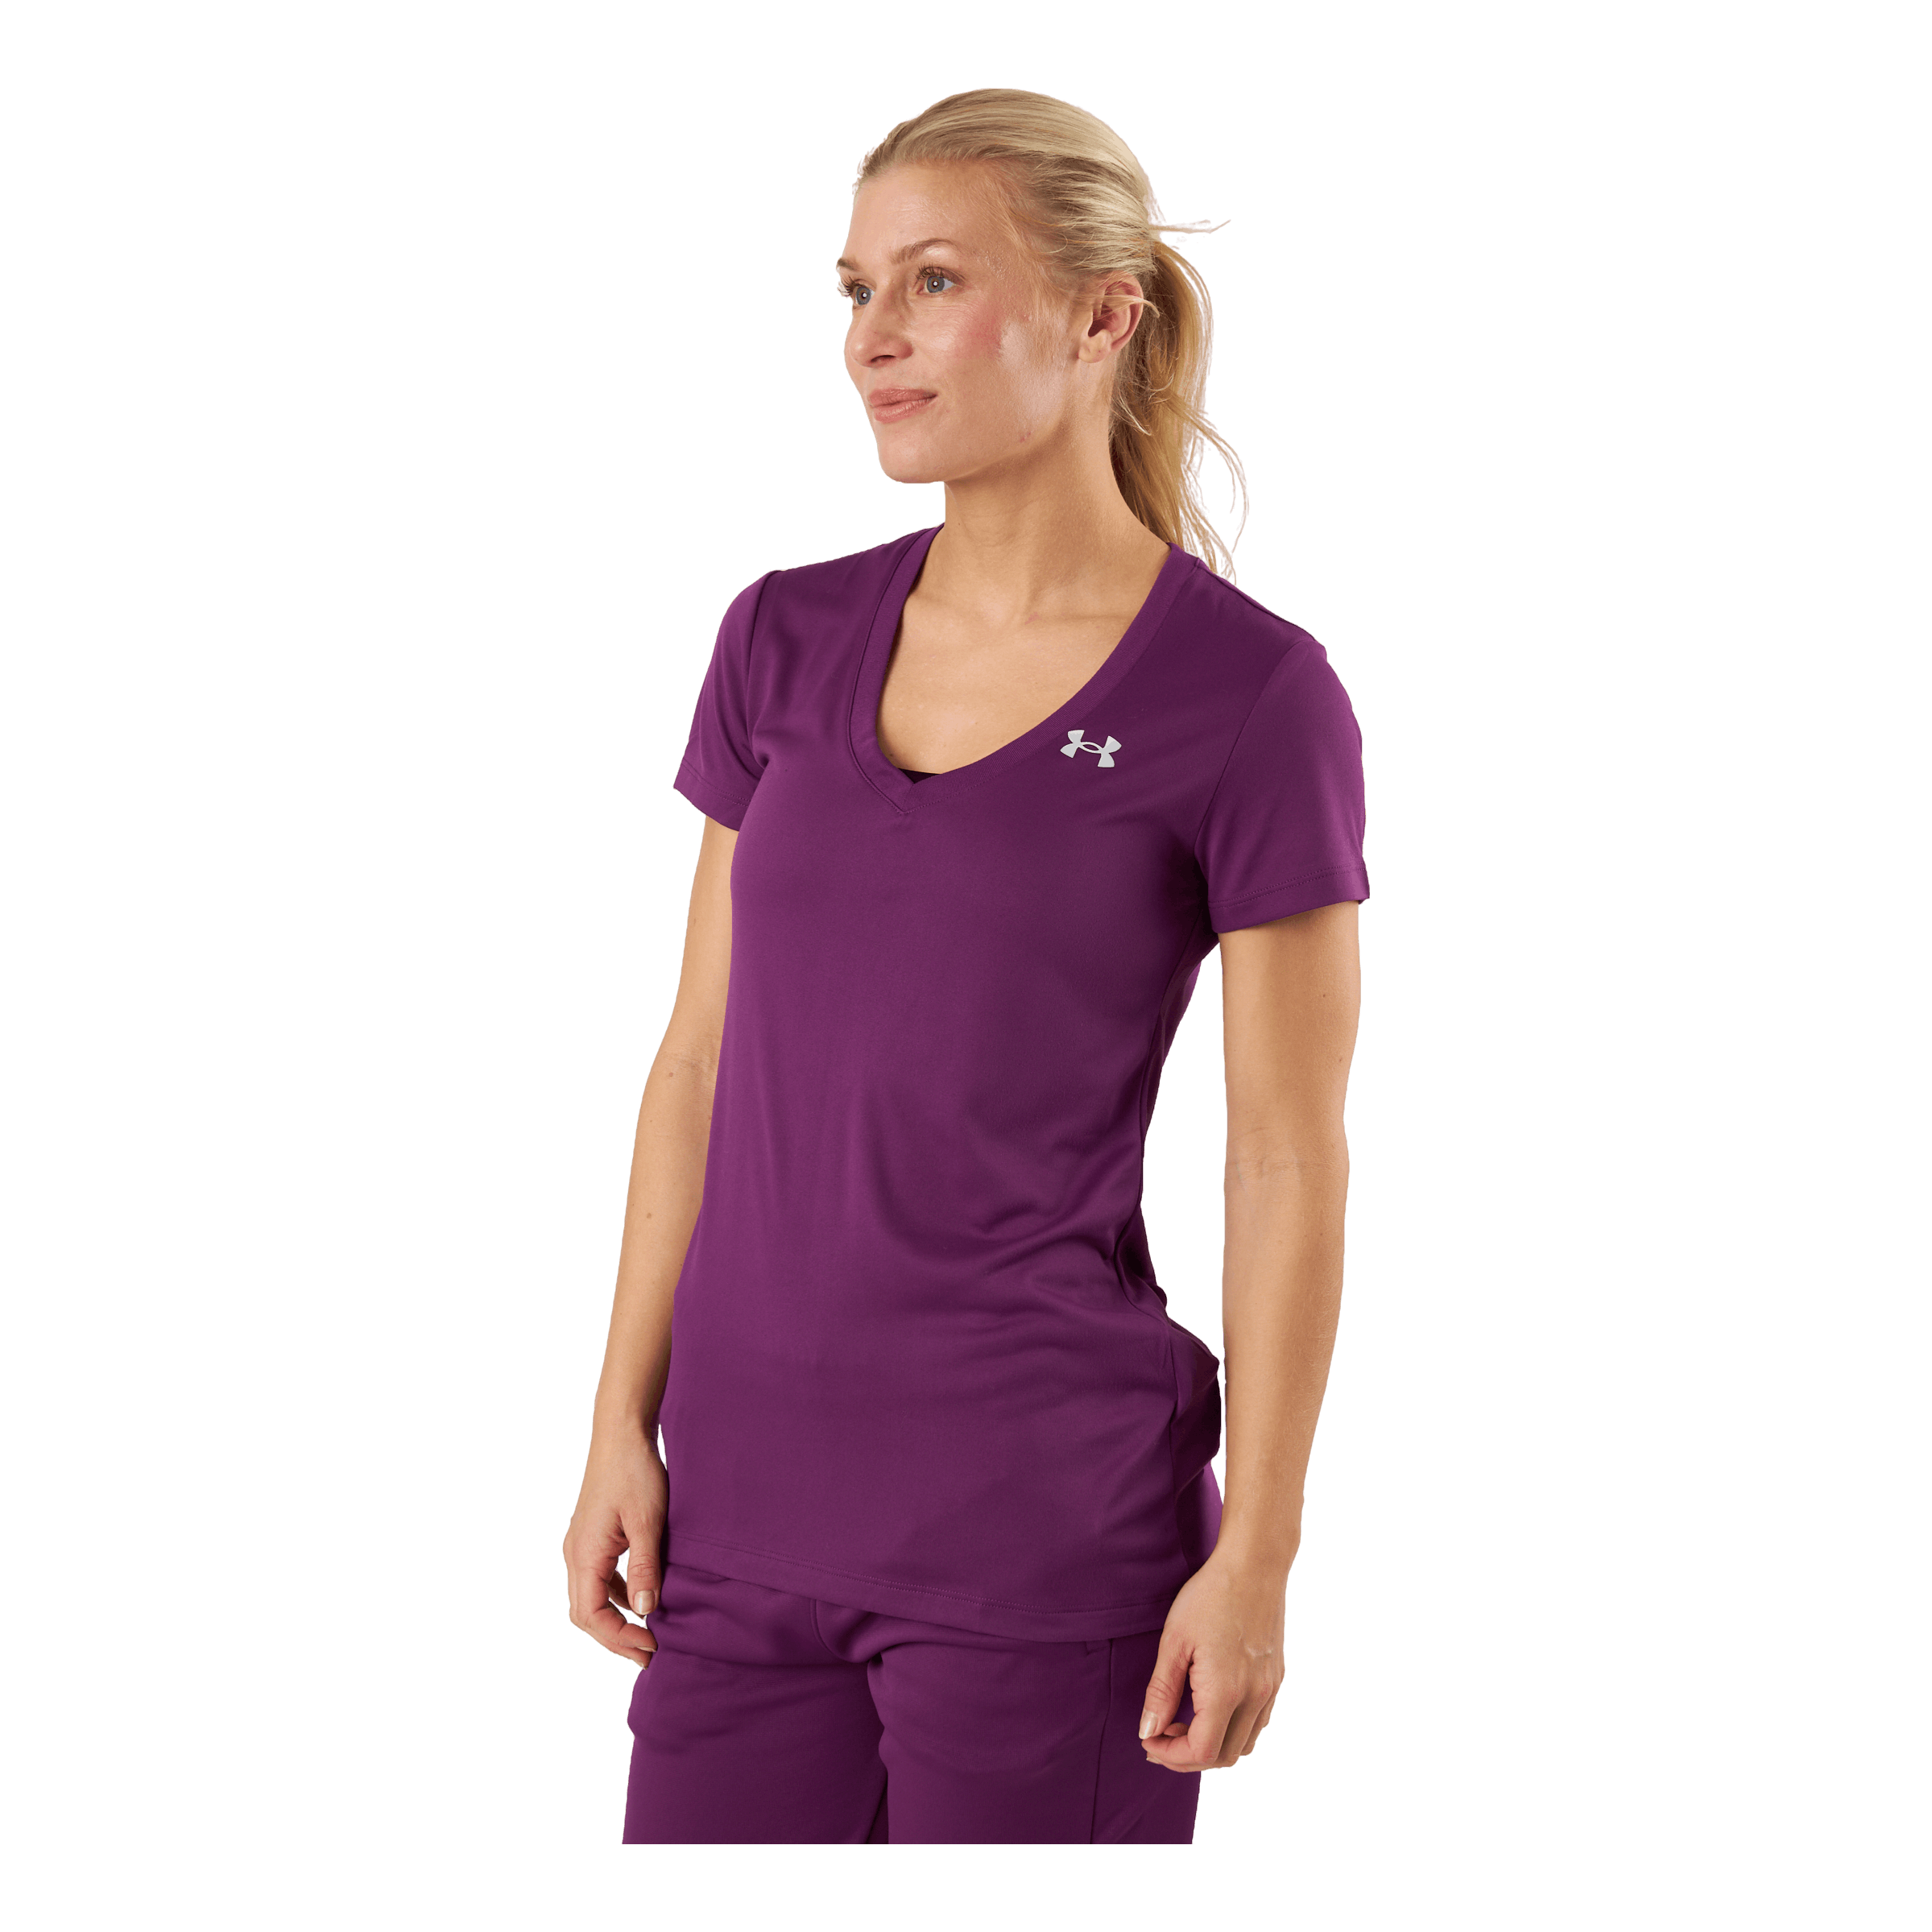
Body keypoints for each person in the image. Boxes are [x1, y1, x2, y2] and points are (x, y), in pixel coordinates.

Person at [562, 87, 1367, 1845]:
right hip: (734, 1523)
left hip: (1041, 1536)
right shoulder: (776, 633)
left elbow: (1283, 1155)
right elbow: (696, 1058)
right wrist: (620, 1417)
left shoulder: (1250, 693)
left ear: (1102, 315)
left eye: (934, 281)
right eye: (857, 290)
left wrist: (1259, 1551)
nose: (873, 338)